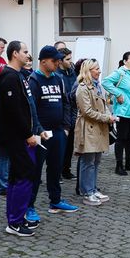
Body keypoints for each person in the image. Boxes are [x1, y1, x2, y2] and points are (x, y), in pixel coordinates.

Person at [27, 45, 80, 216]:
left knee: (55, 169)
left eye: (59, 60)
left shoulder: (58, 79)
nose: (57, 63)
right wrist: (38, 130)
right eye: (54, 60)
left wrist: (65, 127)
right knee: (35, 172)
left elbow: (65, 103)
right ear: (43, 61)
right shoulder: (34, 80)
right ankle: (29, 206)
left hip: (58, 132)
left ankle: (55, 201)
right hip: (41, 134)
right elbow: (31, 108)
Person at [0, 41, 41, 237]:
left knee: (18, 176)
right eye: (25, 52)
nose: (27, 55)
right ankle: (14, 221)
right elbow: (14, 111)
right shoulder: (9, 77)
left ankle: (17, 217)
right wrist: (28, 134)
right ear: (15, 54)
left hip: (20, 136)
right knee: (24, 176)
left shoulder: (18, 76)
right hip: (16, 137)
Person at [73, 58, 117, 204]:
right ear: (88, 70)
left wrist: (109, 115)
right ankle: (87, 192)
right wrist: (106, 118)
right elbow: (87, 111)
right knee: (88, 161)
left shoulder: (97, 86)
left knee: (96, 160)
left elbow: (102, 105)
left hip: (98, 127)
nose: (99, 71)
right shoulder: (82, 88)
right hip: (89, 128)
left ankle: (93, 188)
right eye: (96, 69)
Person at [102, 51, 130, 175]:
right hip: (123, 112)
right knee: (121, 139)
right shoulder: (120, 73)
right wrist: (118, 94)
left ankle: (129, 163)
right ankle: (119, 165)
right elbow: (105, 82)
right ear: (125, 61)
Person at [57, 48, 79, 180]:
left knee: (70, 144)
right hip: (62, 114)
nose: (71, 62)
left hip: (72, 112)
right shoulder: (57, 75)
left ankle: (66, 169)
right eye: (68, 59)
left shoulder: (72, 72)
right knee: (61, 145)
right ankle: (58, 170)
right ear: (60, 61)